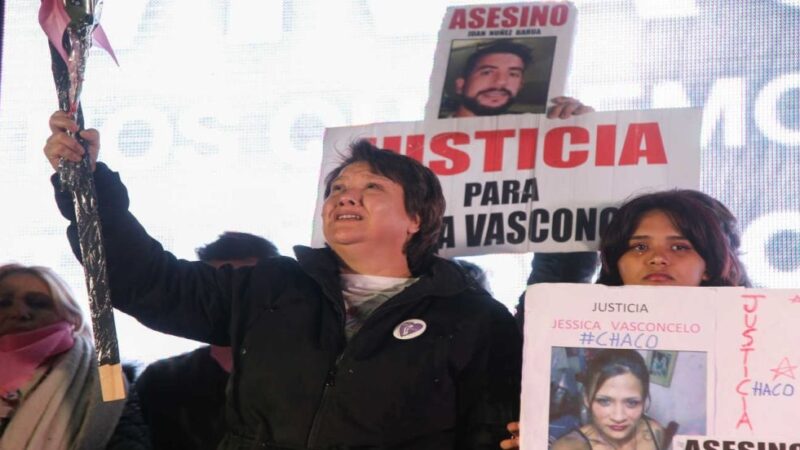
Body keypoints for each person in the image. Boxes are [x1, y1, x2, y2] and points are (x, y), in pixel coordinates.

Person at [44, 111, 522, 449]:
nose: (344, 199)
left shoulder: (473, 318)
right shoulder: (270, 287)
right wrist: (88, 187)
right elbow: (146, 281)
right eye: (337, 189)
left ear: (417, 217)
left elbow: (491, 435)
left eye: (371, 187)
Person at [501, 189, 750, 449]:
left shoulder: (759, 334)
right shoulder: (561, 321)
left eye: (679, 247)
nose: (657, 258)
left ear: (709, 265)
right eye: (639, 246)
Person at [135, 232, 279, 450]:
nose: (230, 300)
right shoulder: (161, 381)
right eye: (217, 289)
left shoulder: (305, 383)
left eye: (243, 289)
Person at [0, 263, 145, 450]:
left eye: (39, 304)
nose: (20, 312)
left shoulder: (110, 381)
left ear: (72, 317)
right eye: (3, 303)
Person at [550, 349, 665, 450]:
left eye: (631, 403)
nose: (618, 417)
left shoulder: (654, 431)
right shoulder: (568, 448)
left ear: (644, 402)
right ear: (586, 399)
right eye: (604, 401)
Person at [448, 40, 593, 119]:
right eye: (487, 72)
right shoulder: (427, 137)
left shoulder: (534, 131)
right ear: (460, 85)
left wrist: (585, 124)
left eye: (513, 74)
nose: (500, 82)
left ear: (520, 85)